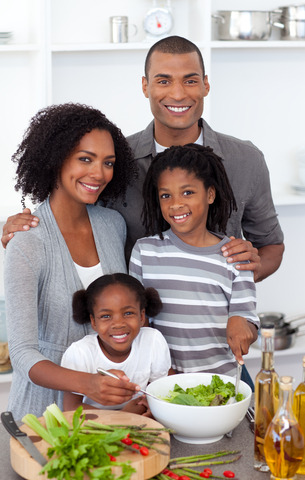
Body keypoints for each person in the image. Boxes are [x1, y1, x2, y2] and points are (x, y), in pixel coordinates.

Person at [1, 36, 284, 283]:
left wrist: (245, 273)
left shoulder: (246, 160)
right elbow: (70, 218)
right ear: (145, 86)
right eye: (163, 81)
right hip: (130, 334)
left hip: (214, 333)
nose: (177, 93)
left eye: (190, 80)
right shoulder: (115, 160)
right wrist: (27, 229)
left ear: (205, 86)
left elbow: (271, 245)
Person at [4, 103, 144, 420]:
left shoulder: (112, 225)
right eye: (85, 159)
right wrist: (86, 383)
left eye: (108, 163)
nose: (99, 173)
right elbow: (22, 354)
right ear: (55, 159)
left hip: (110, 412)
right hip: (43, 414)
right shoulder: (26, 242)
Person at [129, 144, 260, 379]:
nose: (176, 204)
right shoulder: (144, 252)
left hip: (221, 384)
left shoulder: (234, 255)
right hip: (163, 384)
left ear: (210, 194)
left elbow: (247, 320)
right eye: (166, 195)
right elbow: (139, 321)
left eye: (187, 192)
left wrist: (242, 324)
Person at [61, 273, 171, 414]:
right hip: (95, 429)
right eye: (106, 316)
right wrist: (123, 416)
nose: (118, 324)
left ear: (142, 316)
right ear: (93, 321)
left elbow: (161, 390)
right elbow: (71, 408)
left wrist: (150, 405)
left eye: (128, 313)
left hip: (140, 426)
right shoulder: (80, 353)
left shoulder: (153, 341)